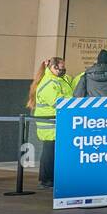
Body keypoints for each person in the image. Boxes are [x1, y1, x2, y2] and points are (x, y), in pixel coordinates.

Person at [27, 57, 74, 189]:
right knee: (49, 153)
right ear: (52, 68)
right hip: (50, 124)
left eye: (63, 67)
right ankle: (46, 180)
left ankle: (50, 179)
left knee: (53, 152)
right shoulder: (48, 83)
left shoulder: (60, 80)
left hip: (56, 123)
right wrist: (73, 100)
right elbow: (57, 101)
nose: (62, 69)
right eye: (59, 67)